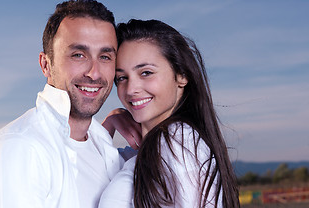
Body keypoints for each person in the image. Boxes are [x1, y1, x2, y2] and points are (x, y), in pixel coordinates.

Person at [0, 0, 140, 208]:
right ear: (46, 65)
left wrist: (111, 125)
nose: (94, 72)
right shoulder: (21, 148)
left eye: (105, 57)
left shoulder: (102, 143)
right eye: (78, 55)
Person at [99, 19, 240, 207]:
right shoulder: (146, 153)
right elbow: (87, 167)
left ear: (181, 75)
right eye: (122, 78)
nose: (131, 89)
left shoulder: (177, 142)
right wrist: (109, 123)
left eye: (146, 73)